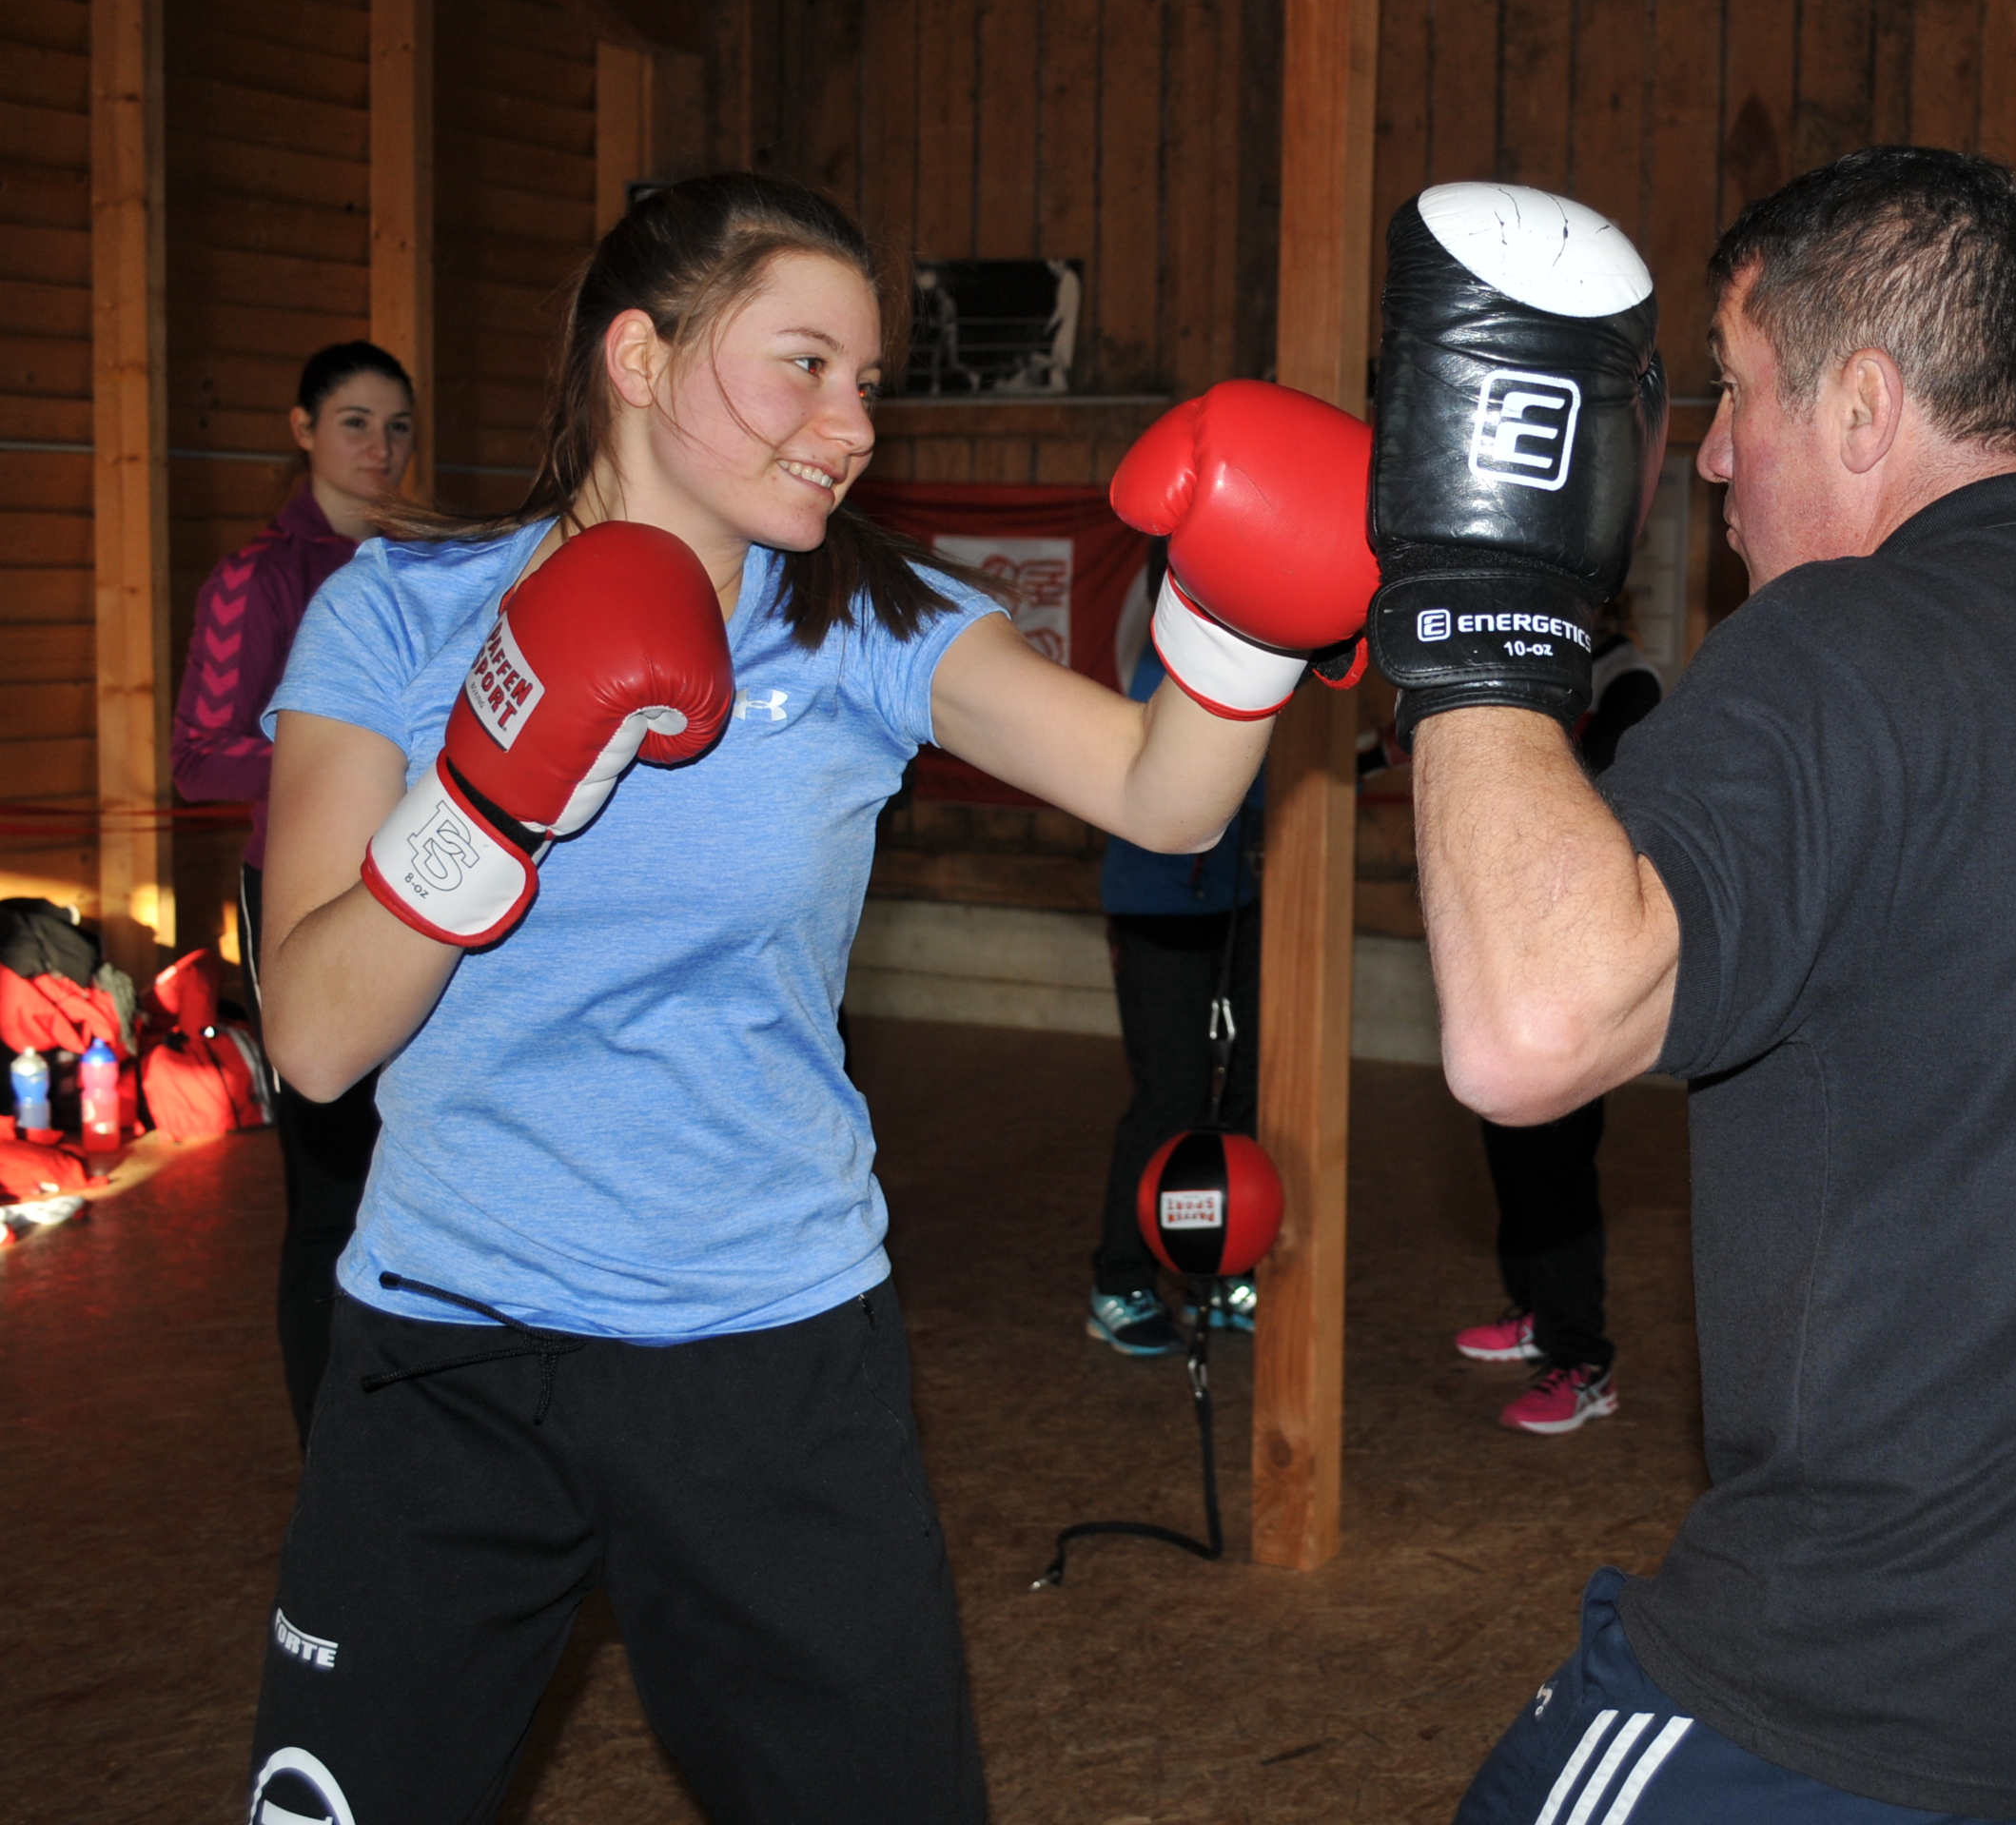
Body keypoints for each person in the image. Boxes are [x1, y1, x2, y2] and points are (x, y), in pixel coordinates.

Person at [242, 174, 1374, 1824]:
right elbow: (313, 1036)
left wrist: (1252, 616)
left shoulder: (873, 622)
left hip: (767, 1355)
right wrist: (489, 798)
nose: (850, 426)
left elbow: (1164, 794)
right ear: (641, 356)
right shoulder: (397, 614)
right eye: (804, 365)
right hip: (446, 1351)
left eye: (869, 383)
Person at [1373, 158, 2016, 1822]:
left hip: (1881, 1692)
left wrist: (1474, 613)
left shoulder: (1845, 645)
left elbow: (1528, 1028)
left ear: (1860, 404)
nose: (1710, 452)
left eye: (1734, 387)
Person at [171, 340, 415, 1443]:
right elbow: (200, 759)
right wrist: (353, 759)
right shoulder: (256, 579)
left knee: (414, 1162)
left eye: (399, 427)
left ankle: (416, 1425)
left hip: (418, 889)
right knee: (328, 1184)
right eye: (356, 423)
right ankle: (331, 1450)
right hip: (304, 893)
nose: (381, 448)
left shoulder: (425, 566)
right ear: (304, 430)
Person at [1451, 602, 1662, 1435]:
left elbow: (1596, 795)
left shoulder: (1625, 679)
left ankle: (1583, 1361)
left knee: (1559, 1172)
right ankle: (1536, 1312)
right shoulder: (1533, 663)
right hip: (1510, 942)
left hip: (1574, 953)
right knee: (1511, 1144)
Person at [1087, 550, 1264, 1359]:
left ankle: (1217, 1269)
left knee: (1242, 1093)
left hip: (1238, 903)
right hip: (1156, 907)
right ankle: (1120, 1281)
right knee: (1173, 1096)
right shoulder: (1169, 661)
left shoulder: (1259, 657)